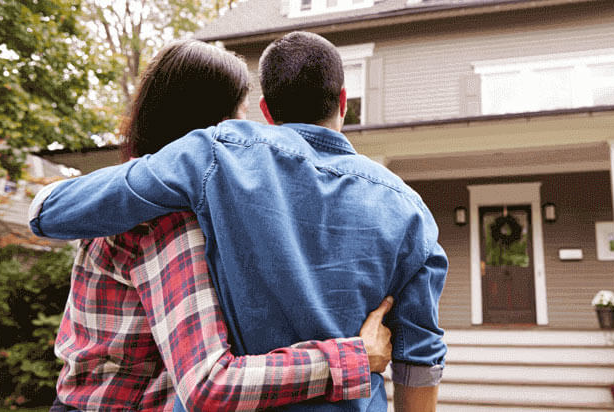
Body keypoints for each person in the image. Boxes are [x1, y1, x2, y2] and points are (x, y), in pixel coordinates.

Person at [30, 31, 448, 411]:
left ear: (266, 110)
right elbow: (420, 359)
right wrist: (355, 357)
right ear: (342, 102)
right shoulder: (411, 209)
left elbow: (49, 212)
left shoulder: (213, 160)